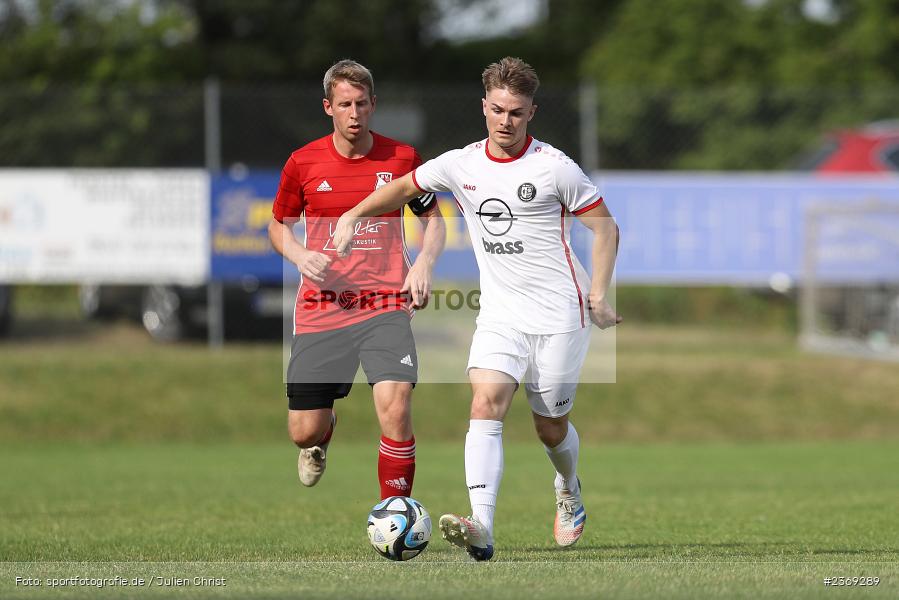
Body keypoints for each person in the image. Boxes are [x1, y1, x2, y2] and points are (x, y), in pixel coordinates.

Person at [332, 57, 620, 560]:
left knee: (550, 426)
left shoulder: (554, 167)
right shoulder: (461, 163)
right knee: (485, 403)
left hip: (559, 314)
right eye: (497, 109)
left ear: (531, 113)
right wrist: (354, 213)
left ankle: (569, 488)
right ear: (483, 106)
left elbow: (605, 228)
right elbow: (405, 186)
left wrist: (598, 291)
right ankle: (481, 525)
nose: (505, 121)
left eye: (517, 113)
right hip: (501, 315)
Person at [268, 59, 445, 500]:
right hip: (323, 307)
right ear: (328, 107)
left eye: (361, 104)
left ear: (373, 105)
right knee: (303, 430)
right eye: (344, 104)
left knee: (396, 406)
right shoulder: (303, 162)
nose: (354, 113)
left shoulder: (401, 158)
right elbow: (278, 226)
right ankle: (320, 439)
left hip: (385, 304)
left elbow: (434, 221)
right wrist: (299, 254)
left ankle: (396, 511)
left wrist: (423, 264)